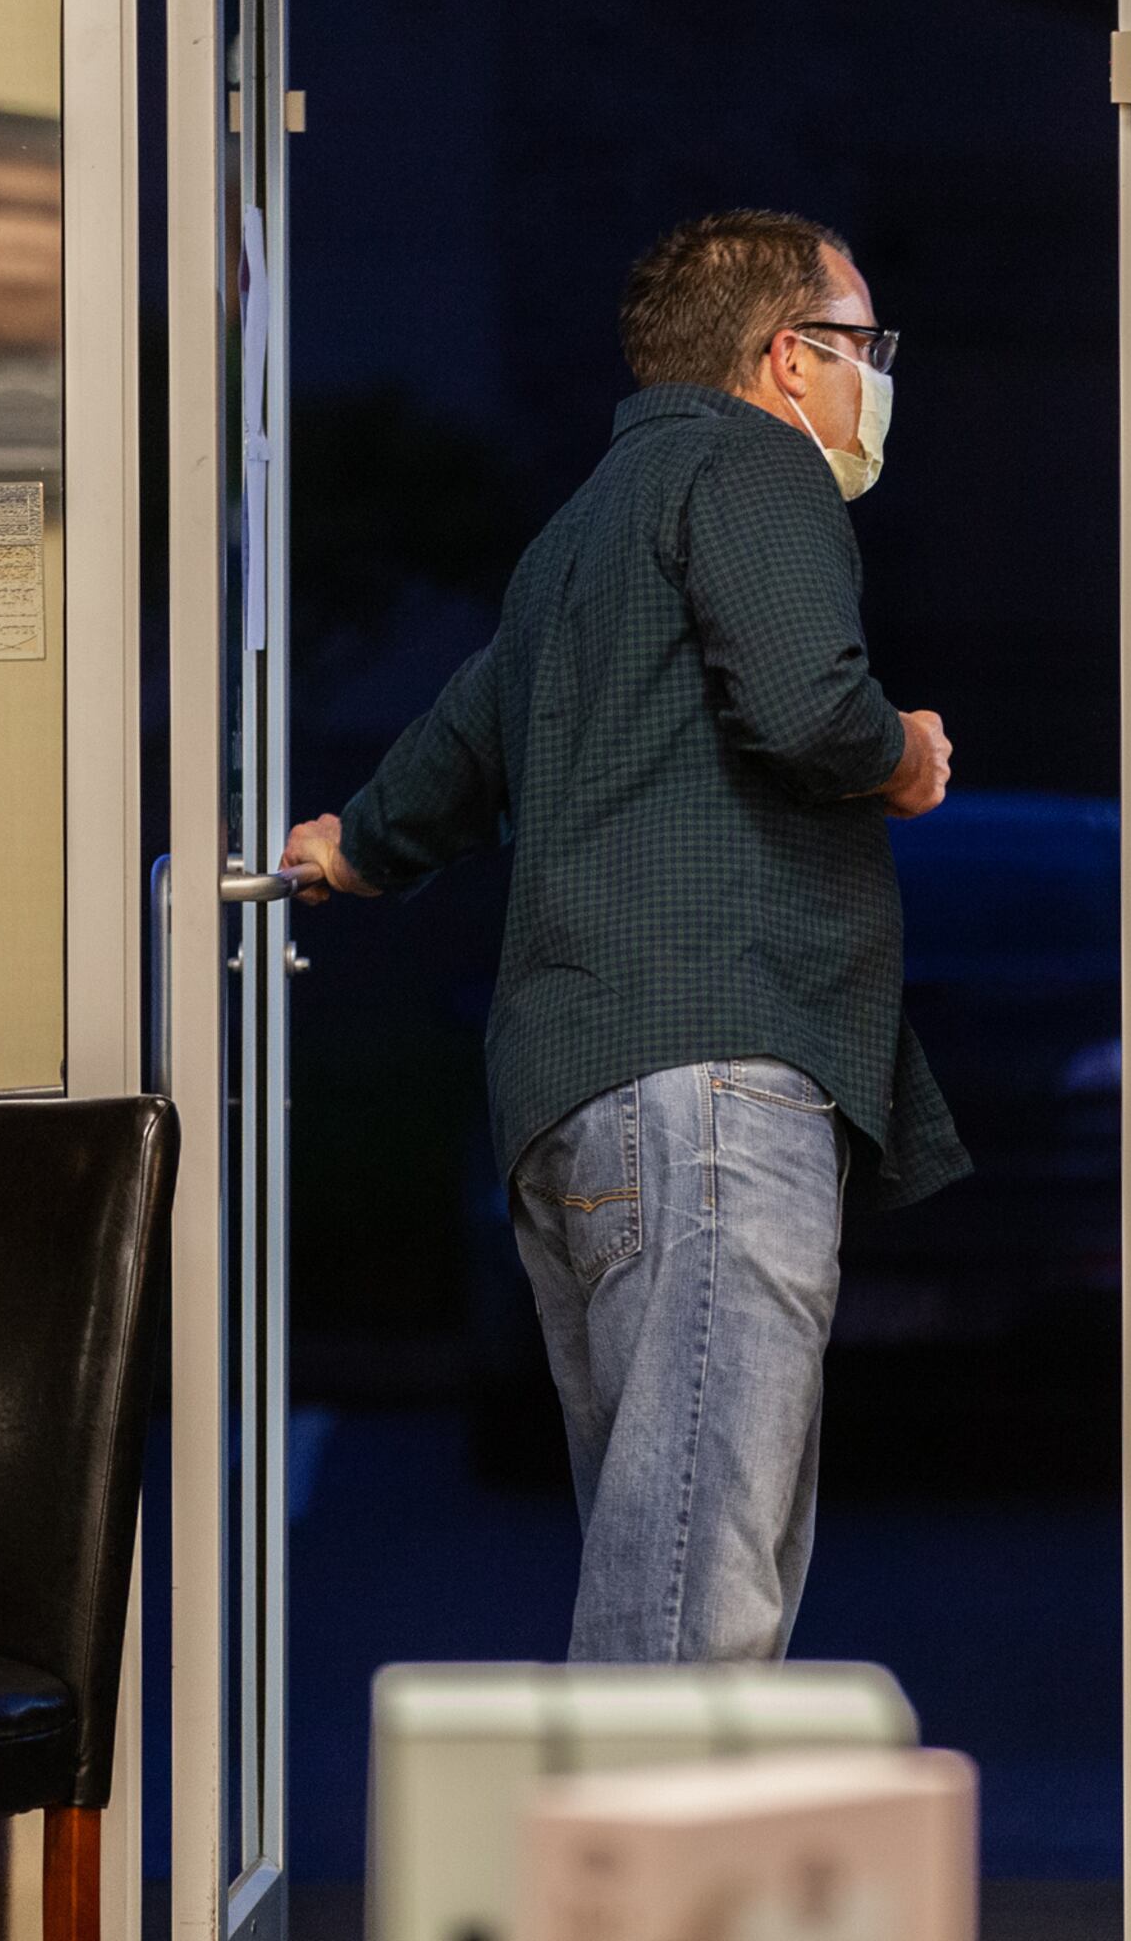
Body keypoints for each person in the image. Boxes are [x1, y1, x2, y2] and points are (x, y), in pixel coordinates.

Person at [282, 208, 962, 1664]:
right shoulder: (754, 465)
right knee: (698, 1607)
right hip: (716, 1088)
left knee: (664, 1563)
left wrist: (349, 845)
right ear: (788, 359)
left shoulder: (576, 535)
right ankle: (622, 1895)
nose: (871, 381)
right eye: (862, 347)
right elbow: (803, 705)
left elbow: (460, 746)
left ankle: (646, 1879)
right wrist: (899, 750)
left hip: (581, 1109)